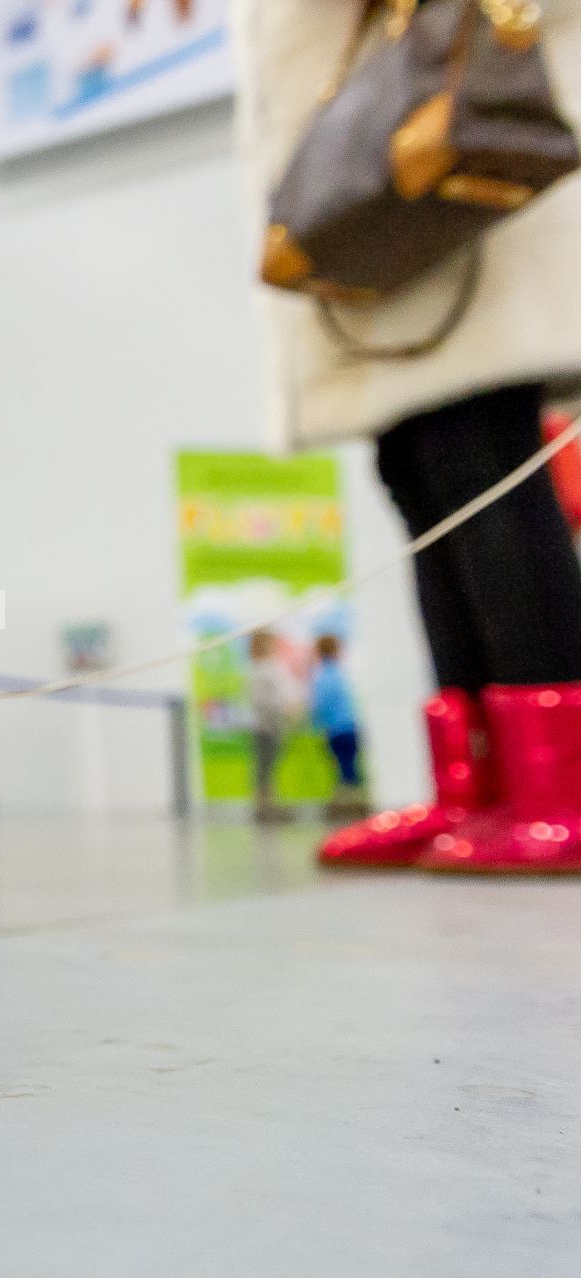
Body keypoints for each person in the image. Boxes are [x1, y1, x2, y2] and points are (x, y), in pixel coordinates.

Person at [235, 2, 581, 871]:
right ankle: (477, 787)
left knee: (480, 454)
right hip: (381, 164)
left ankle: (559, 789)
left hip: (444, 150)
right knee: (418, 468)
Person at [310, 634, 368, 821]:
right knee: (348, 767)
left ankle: (351, 806)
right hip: (344, 728)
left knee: (345, 767)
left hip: (336, 729)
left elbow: (319, 706)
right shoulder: (335, 675)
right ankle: (352, 807)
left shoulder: (323, 676)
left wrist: (317, 726)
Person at [247, 630, 301, 825]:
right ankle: (264, 805)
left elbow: (282, 694)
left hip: (271, 724)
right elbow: (265, 701)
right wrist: (286, 709)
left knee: (267, 767)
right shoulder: (262, 670)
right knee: (265, 767)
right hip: (265, 726)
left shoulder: (266, 668)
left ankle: (267, 804)